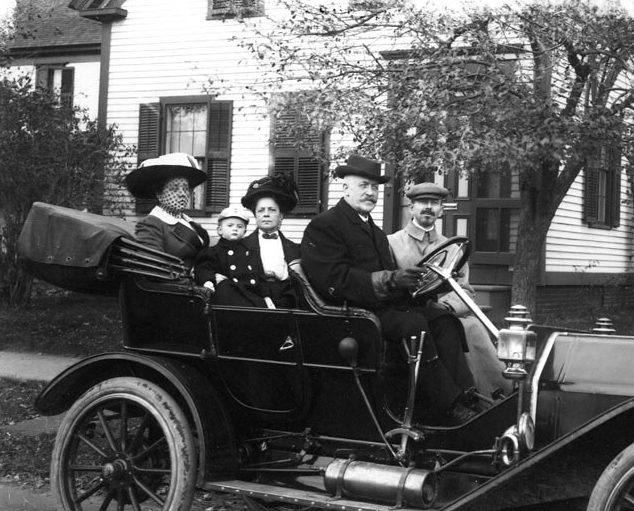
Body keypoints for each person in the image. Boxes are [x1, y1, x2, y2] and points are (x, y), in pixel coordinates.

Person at [301, 155, 478, 425]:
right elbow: (334, 280)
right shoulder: (325, 225)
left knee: (443, 318)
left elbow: (392, 280)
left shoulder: (372, 229)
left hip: (382, 307)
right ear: (345, 188)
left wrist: (418, 286)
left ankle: (467, 396)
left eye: (375, 187)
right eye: (363, 186)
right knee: (414, 323)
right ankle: (449, 406)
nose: (371, 193)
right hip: (352, 314)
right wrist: (392, 280)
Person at [388, 182, 509, 398]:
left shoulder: (453, 248)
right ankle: (462, 395)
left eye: (434, 203)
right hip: (409, 315)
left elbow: (465, 291)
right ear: (411, 208)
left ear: (441, 211)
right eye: (422, 202)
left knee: (472, 327)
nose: (428, 208)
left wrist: (446, 306)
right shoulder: (392, 243)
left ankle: (494, 394)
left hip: (446, 314)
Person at [194, 174, 301, 308]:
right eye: (261, 210)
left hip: (287, 300)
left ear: (281, 215)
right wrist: (213, 277)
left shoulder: (296, 249)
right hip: (254, 301)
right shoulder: (239, 246)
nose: (266, 214)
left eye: (272, 210)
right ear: (255, 215)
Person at [124, 152, 210, 267]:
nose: (182, 194)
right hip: (178, 283)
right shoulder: (151, 224)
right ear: (159, 193)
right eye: (174, 188)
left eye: (185, 188)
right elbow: (152, 268)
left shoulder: (188, 222)